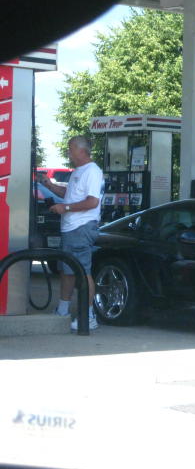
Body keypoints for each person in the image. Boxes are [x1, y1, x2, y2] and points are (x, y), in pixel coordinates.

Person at [39, 136, 104, 331]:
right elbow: (71, 195)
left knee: (82, 271)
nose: (68, 152)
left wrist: (65, 208)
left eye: (70, 148)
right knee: (67, 271)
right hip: (70, 228)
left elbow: (92, 202)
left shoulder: (92, 171)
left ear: (80, 149)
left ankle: (89, 316)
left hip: (81, 227)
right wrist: (50, 186)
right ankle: (63, 310)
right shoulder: (79, 171)